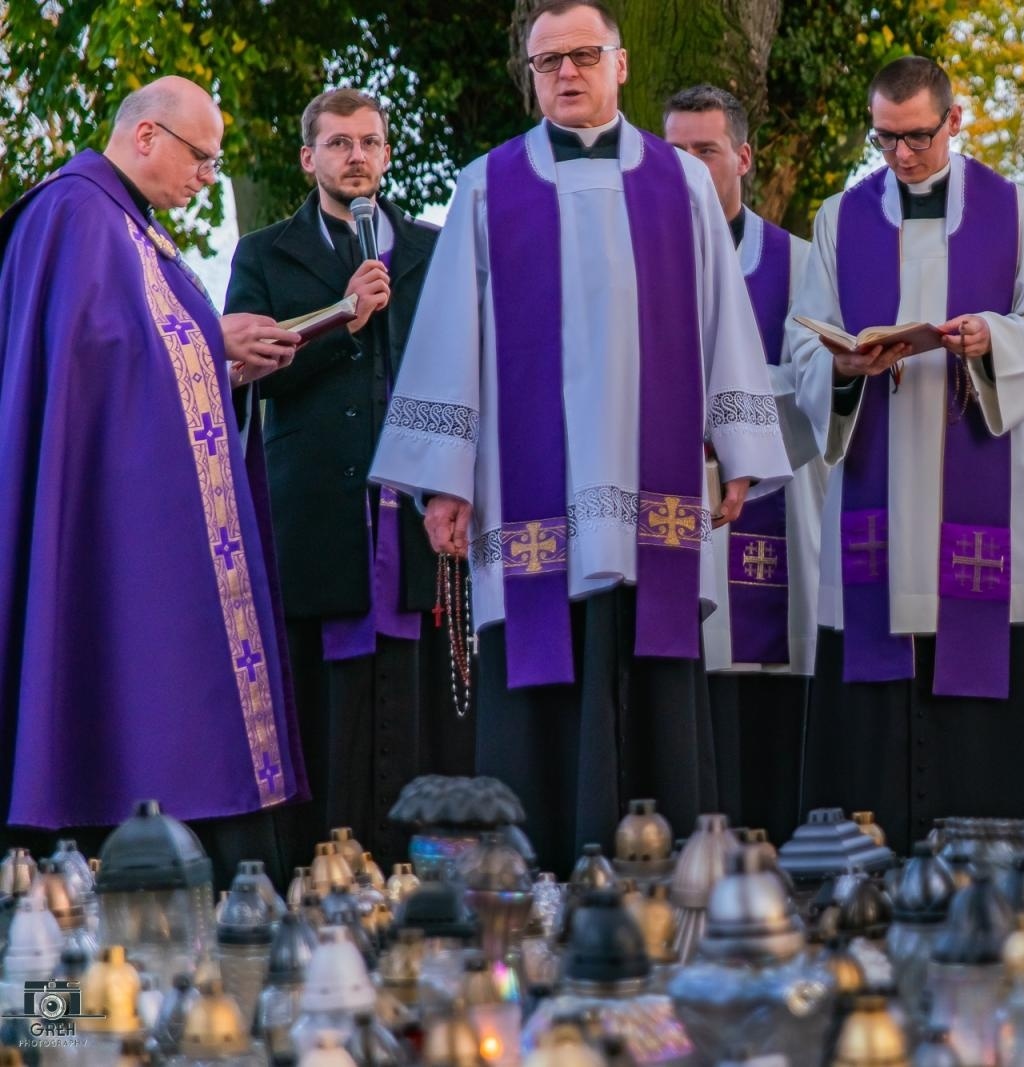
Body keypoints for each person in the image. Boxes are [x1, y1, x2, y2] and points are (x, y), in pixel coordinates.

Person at [368, 0, 790, 872]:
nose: (566, 73)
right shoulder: (488, 185)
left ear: (620, 65)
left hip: (658, 486)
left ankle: (668, 868)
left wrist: (741, 447)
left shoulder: (680, 183)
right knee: (542, 666)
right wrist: (443, 481)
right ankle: (540, 867)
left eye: (583, 55)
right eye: (548, 60)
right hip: (533, 499)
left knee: (654, 663)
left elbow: (725, 323)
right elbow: (448, 338)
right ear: (532, 75)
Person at [0, 76, 307, 880]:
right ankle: (64, 999)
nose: (207, 177)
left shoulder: (130, 226)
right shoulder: (77, 215)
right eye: (201, 158)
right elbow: (92, 364)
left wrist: (218, 354)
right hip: (99, 519)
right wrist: (211, 345)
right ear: (145, 137)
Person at [790, 57, 1024, 852]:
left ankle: (1012, 861)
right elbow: (801, 341)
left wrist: (995, 337)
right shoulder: (839, 218)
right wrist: (842, 366)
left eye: (917, 136)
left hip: (984, 508)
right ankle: (863, 859)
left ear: (954, 122)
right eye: (885, 138)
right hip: (876, 500)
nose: (900, 155)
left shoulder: (1014, 209)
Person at [226, 88, 462, 868]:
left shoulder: (434, 250)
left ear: (387, 154)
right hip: (316, 513)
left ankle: (408, 867)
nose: (355, 156)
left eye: (368, 142)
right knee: (324, 706)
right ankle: (319, 869)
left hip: (412, 514)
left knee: (413, 698)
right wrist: (341, 319)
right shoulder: (265, 254)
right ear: (309, 158)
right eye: (337, 144)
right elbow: (248, 369)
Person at [663, 85, 820, 844]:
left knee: (767, 683)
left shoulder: (796, 263)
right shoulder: (643, 257)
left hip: (773, 503)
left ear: (744, 158)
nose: (690, 167)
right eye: (676, 153)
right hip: (671, 504)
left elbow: (821, 383)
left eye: (706, 150)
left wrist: (733, 413)